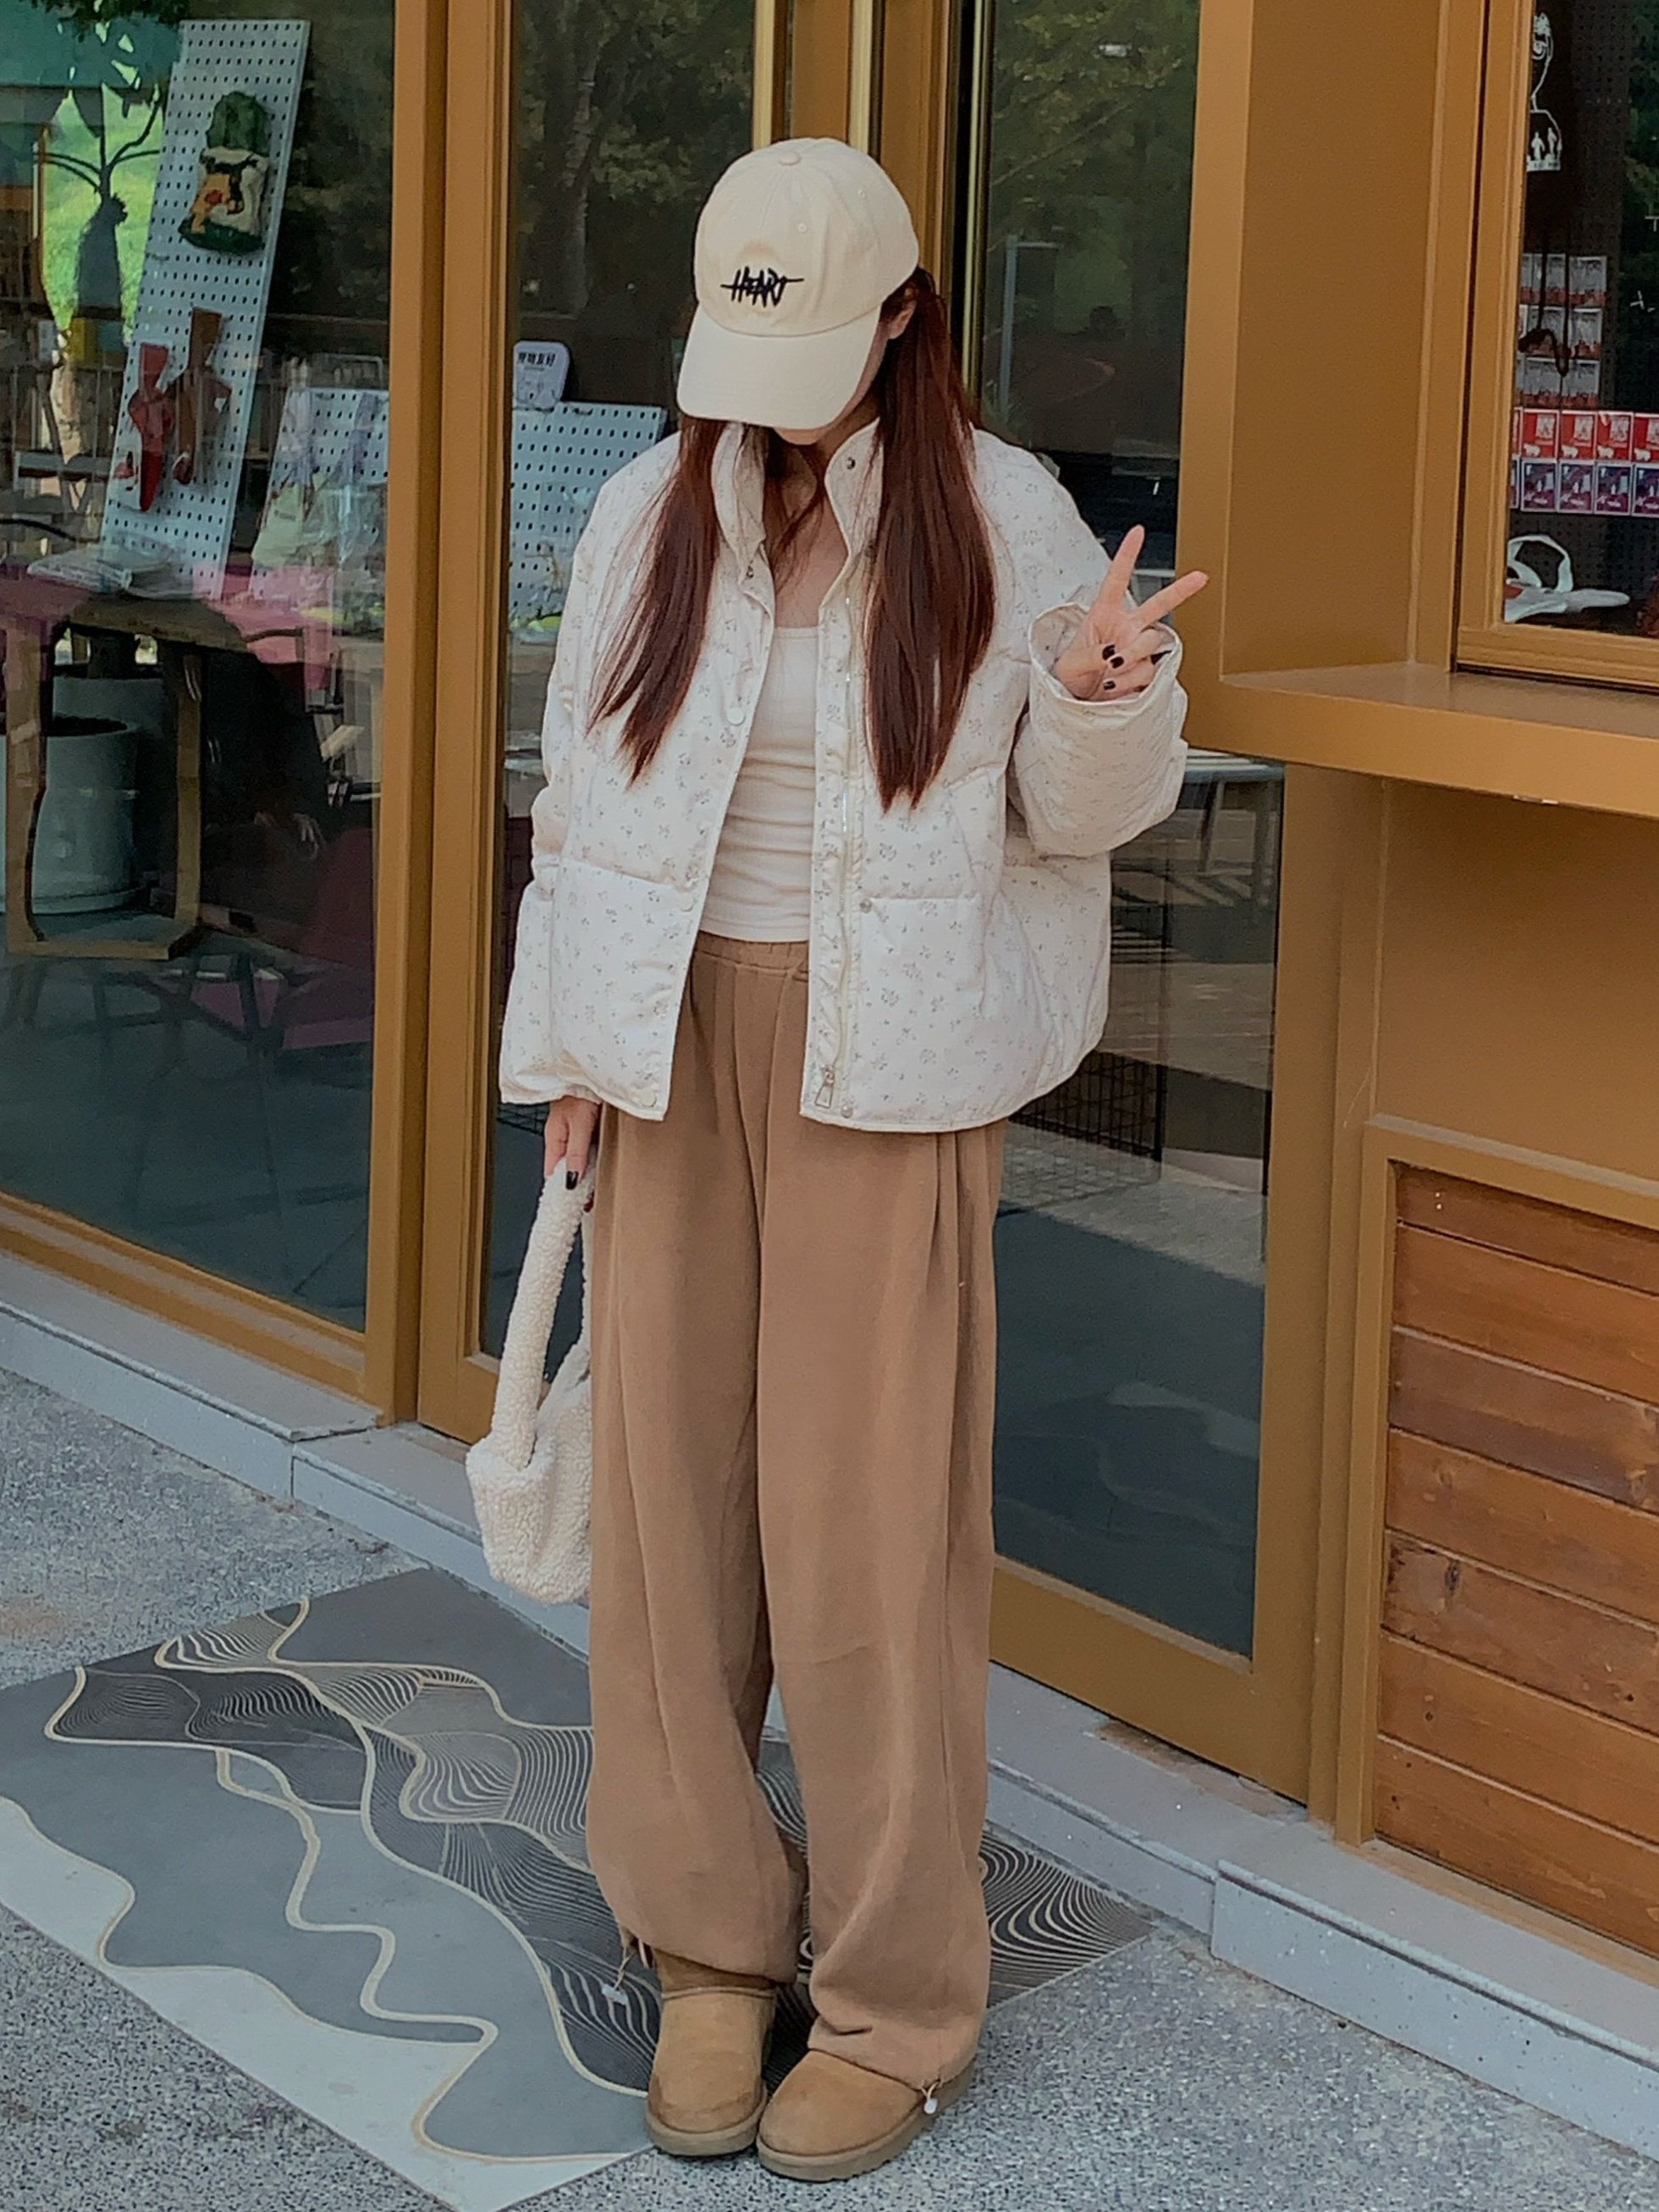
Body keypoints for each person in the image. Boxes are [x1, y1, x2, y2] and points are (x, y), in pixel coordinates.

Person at [499, 136, 1204, 2183]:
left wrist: (1099, 694)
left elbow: (1073, 821)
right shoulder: (646, 504)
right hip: (666, 1044)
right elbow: (578, 797)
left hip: (886, 1062)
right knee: (669, 1511)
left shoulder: (1005, 513)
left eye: (811, 354)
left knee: (867, 1533)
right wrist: (565, 1048)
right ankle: (704, 1934)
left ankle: (897, 1989)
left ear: (902, 318)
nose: (771, 406)